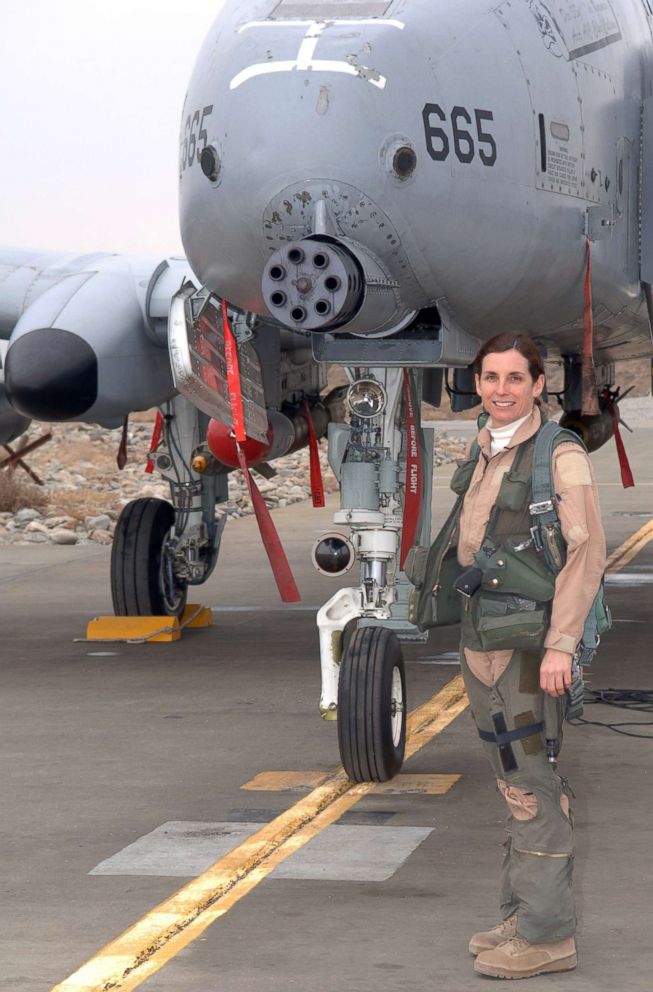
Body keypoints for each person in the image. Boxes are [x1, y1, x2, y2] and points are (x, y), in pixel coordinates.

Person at [453, 334, 606, 979]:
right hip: (482, 640)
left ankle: (549, 938)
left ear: (539, 384)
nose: (501, 389)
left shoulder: (558, 454)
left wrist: (560, 645)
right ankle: (520, 915)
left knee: (533, 787)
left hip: (527, 645)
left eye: (516, 378)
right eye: (491, 377)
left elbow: (587, 553)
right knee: (512, 782)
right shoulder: (486, 445)